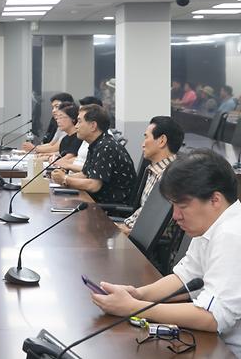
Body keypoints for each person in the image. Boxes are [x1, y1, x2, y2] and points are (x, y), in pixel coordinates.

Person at [92, 149, 241, 356]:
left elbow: (212, 317)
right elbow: (185, 277)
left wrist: (134, 307)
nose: (175, 216)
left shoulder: (232, 234)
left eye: (182, 206)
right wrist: (137, 294)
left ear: (215, 200)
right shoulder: (211, 226)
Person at [50, 104, 136, 206]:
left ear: (93, 126)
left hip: (111, 206)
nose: (76, 126)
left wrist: (65, 179)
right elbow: (85, 174)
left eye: (80, 121)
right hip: (97, 201)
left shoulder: (106, 146)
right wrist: (60, 177)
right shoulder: (96, 144)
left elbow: (94, 185)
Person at [119, 116, 183, 234]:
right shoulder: (154, 169)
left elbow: (156, 228)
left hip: (143, 245)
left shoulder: (171, 177)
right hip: (131, 230)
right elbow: (144, 213)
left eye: (146, 137)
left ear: (162, 140)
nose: (142, 144)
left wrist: (125, 231)